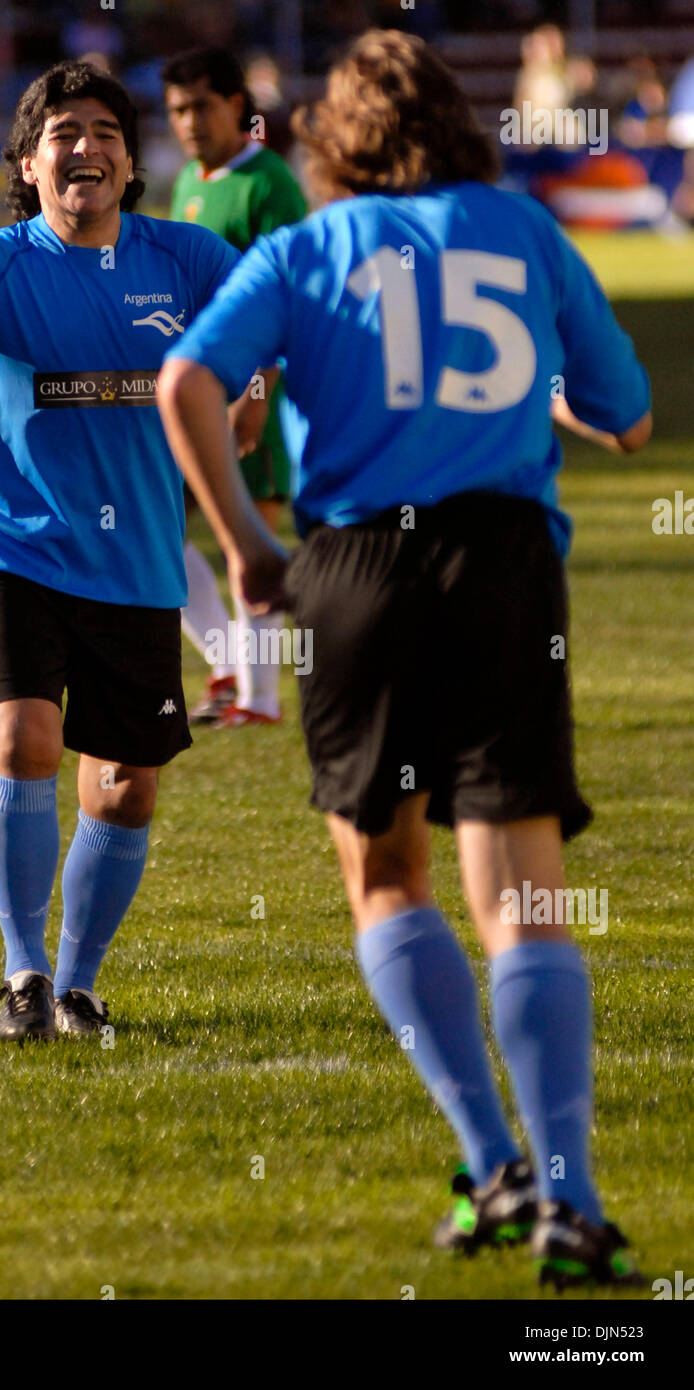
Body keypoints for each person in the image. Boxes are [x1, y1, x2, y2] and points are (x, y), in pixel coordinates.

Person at [158, 30, 652, 1289]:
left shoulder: (305, 247)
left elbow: (186, 384)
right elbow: (625, 409)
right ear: (457, 117)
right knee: (524, 889)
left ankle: (492, 1163)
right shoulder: (521, 226)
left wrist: (250, 549)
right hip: (501, 565)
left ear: (335, 136)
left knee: (389, 875)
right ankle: (572, 1197)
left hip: (357, 571)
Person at [0, 61, 240, 1043]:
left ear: (131, 158)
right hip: (11, 542)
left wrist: (244, 401)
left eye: (108, 130)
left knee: (126, 783)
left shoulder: (190, 259)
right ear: (28, 164)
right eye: (64, 131)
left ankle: (76, 986)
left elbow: (243, 391)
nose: (89, 146)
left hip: (139, 559)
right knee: (25, 738)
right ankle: (22, 973)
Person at [163, 47, 306, 726]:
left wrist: (256, 394)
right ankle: (225, 663)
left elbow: (288, 293)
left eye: (201, 106)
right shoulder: (190, 180)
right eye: (177, 110)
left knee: (248, 535)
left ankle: (260, 699)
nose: (189, 122)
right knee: (157, 525)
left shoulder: (269, 180)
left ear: (236, 106)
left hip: (256, 390)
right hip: (194, 394)